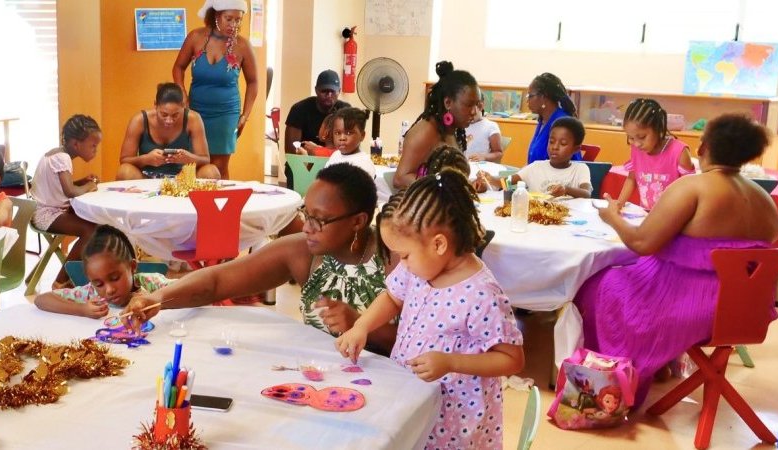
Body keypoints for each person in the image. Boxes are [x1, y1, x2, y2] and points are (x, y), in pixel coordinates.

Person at [575, 114, 778, 407]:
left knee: (598, 284)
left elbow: (641, 242)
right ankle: (656, 363)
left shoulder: (693, 188)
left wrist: (612, 218)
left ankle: (610, 384)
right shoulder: (765, 200)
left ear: (703, 148)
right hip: (745, 311)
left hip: (691, 308)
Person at [336, 170, 524, 449]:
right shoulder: (419, 270)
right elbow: (392, 297)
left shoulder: (481, 293)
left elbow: (512, 359)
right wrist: (361, 326)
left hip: (456, 418)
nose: (403, 262)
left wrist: (451, 362)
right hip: (414, 396)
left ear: (438, 244)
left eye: (405, 255)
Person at [124, 164, 396, 354]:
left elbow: (422, 350)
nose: (306, 226)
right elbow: (218, 281)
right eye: (306, 213)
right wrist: (160, 298)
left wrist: (362, 325)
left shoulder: (393, 259)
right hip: (318, 378)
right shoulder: (303, 253)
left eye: (319, 219)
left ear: (358, 221)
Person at [173, 0, 258, 179]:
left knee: (219, 166)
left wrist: (245, 116)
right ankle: (194, 204)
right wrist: (182, 94)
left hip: (226, 114)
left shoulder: (243, 45)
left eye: (238, 20)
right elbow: (178, 67)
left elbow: (253, 82)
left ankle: (221, 203)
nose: (234, 25)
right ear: (216, 15)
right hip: (196, 111)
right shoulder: (195, 37)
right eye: (229, 19)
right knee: (194, 163)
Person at [35, 225, 174, 319]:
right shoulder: (90, 294)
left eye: (114, 278)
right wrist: (82, 309)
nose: (109, 290)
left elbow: (190, 291)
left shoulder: (152, 284)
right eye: (99, 284)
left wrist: (156, 299)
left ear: (132, 267)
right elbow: (41, 299)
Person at [34, 114, 102, 288]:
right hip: (46, 215)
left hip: (45, 210)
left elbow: (60, 186)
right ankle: (61, 280)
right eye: (93, 146)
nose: (95, 150)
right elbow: (70, 191)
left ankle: (82, 272)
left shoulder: (56, 153)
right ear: (76, 144)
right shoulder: (62, 158)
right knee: (91, 229)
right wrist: (89, 186)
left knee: (94, 222)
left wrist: (82, 181)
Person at [394, 61, 479, 189]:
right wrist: (444, 188)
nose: (474, 111)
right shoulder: (427, 131)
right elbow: (400, 179)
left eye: (477, 105)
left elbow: (450, 177)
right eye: (468, 105)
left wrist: (468, 184)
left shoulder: (451, 130)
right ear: (448, 103)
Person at [117, 83, 220, 180]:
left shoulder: (193, 119)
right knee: (124, 171)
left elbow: (205, 159)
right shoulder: (139, 120)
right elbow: (125, 160)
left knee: (211, 171)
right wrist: (147, 159)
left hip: (182, 177)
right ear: (155, 105)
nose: (169, 120)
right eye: (164, 114)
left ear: (183, 106)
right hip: (146, 177)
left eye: (175, 115)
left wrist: (188, 158)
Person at [480, 117, 591, 198]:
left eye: (563, 144)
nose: (555, 147)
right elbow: (507, 182)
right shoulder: (535, 167)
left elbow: (587, 193)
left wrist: (566, 190)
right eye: (551, 141)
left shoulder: (580, 169)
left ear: (576, 149)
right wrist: (489, 178)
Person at [615, 98, 695, 209]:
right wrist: (619, 204)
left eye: (642, 137)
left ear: (658, 129)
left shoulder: (679, 152)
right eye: (631, 138)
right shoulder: (636, 150)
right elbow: (631, 179)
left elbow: (691, 190)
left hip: (675, 216)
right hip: (646, 216)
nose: (637, 144)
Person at [285, 70, 351, 186]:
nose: (329, 95)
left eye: (332, 91)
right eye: (324, 91)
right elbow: (292, 150)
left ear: (339, 91)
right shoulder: (300, 109)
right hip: (304, 161)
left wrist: (318, 151)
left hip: (335, 161)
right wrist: (311, 167)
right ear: (316, 90)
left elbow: (349, 147)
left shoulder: (346, 110)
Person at [525, 73, 580, 164]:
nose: (527, 101)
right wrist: (508, 178)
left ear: (543, 97)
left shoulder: (562, 123)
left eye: (530, 96)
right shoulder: (543, 120)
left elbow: (557, 168)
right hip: (538, 176)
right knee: (502, 178)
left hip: (558, 177)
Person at [322, 107, 377, 177]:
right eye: (337, 133)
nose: (342, 138)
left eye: (348, 133)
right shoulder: (335, 155)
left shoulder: (363, 164)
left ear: (362, 136)